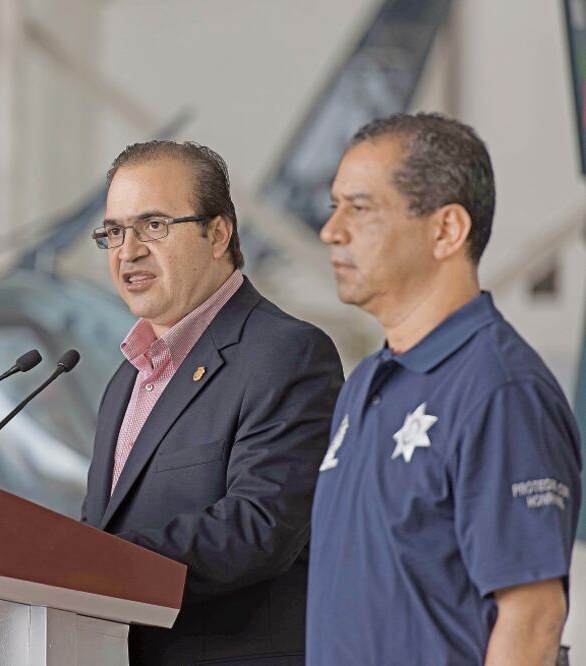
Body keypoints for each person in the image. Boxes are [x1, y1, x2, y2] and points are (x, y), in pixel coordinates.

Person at [307, 113, 582, 665]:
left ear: (446, 230)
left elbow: (532, 620)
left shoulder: (501, 390)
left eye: (359, 208)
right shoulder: (364, 384)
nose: (331, 231)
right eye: (334, 206)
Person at [81, 140, 344, 665]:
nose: (128, 251)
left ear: (218, 233)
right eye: (114, 231)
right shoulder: (126, 379)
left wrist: (100, 564)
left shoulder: (286, 353)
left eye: (154, 225)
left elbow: (260, 525)